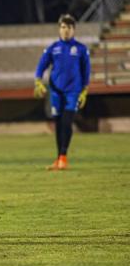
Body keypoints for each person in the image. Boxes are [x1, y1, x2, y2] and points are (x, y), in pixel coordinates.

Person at [34, 14, 90, 171]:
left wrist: (84, 90)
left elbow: (86, 72)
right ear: (59, 29)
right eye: (63, 27)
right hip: (56, 93)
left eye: (69, 28)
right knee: (58, 124)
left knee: (67, 122)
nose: (66, 30)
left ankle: (63, 157)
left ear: (74, 30)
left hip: (73, 92)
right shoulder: (53, 48)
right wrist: (38, 81)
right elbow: (41, 66)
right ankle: (59, 159)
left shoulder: (81, 49)